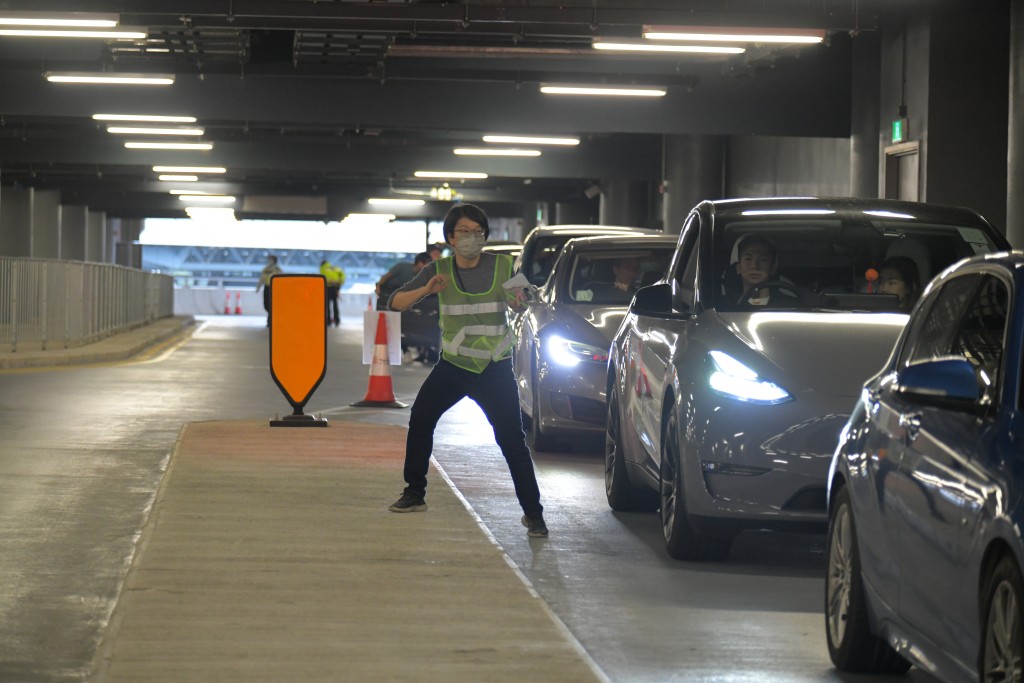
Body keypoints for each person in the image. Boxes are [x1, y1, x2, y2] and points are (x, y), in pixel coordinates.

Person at [386, 203, 548, 538]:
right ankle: (414, 492)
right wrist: (426, 290)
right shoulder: (439, 269)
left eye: (478, 232)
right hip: (454, 367)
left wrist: (520, 300)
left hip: (494, 369)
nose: (472, 238)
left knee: (512, 442)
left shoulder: (504, 266)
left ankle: (534, 514)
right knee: (420, 419)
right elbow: (396, 302)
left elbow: (527, 302)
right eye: (464, 232)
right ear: (450, 238)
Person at [733, 234, 797, 308]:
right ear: (738, 268)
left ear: (773, 269)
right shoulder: (725, 307)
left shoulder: (790, 306)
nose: (754, 266)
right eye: (748, 259)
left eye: (763, 259)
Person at [256, 254, 283, 327]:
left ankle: (270, 319)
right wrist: (258, 287)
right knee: (266, 304)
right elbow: (262, 278)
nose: (269, 261)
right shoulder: (266, 269)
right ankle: (270, 317)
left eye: (271, 260)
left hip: (274, 288)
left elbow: (281, 280)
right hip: (267, 287)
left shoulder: (277, 270)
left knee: (272, 304)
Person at [319, 259, 345, 327]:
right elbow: (342, 276)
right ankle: (337, 320)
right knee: (335, 305)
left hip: (327, 288)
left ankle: (328, 321)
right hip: (335, 288)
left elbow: (321, 279)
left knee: (327, 306)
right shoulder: (335, 268)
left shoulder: (323, 269)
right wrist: (338, 283)